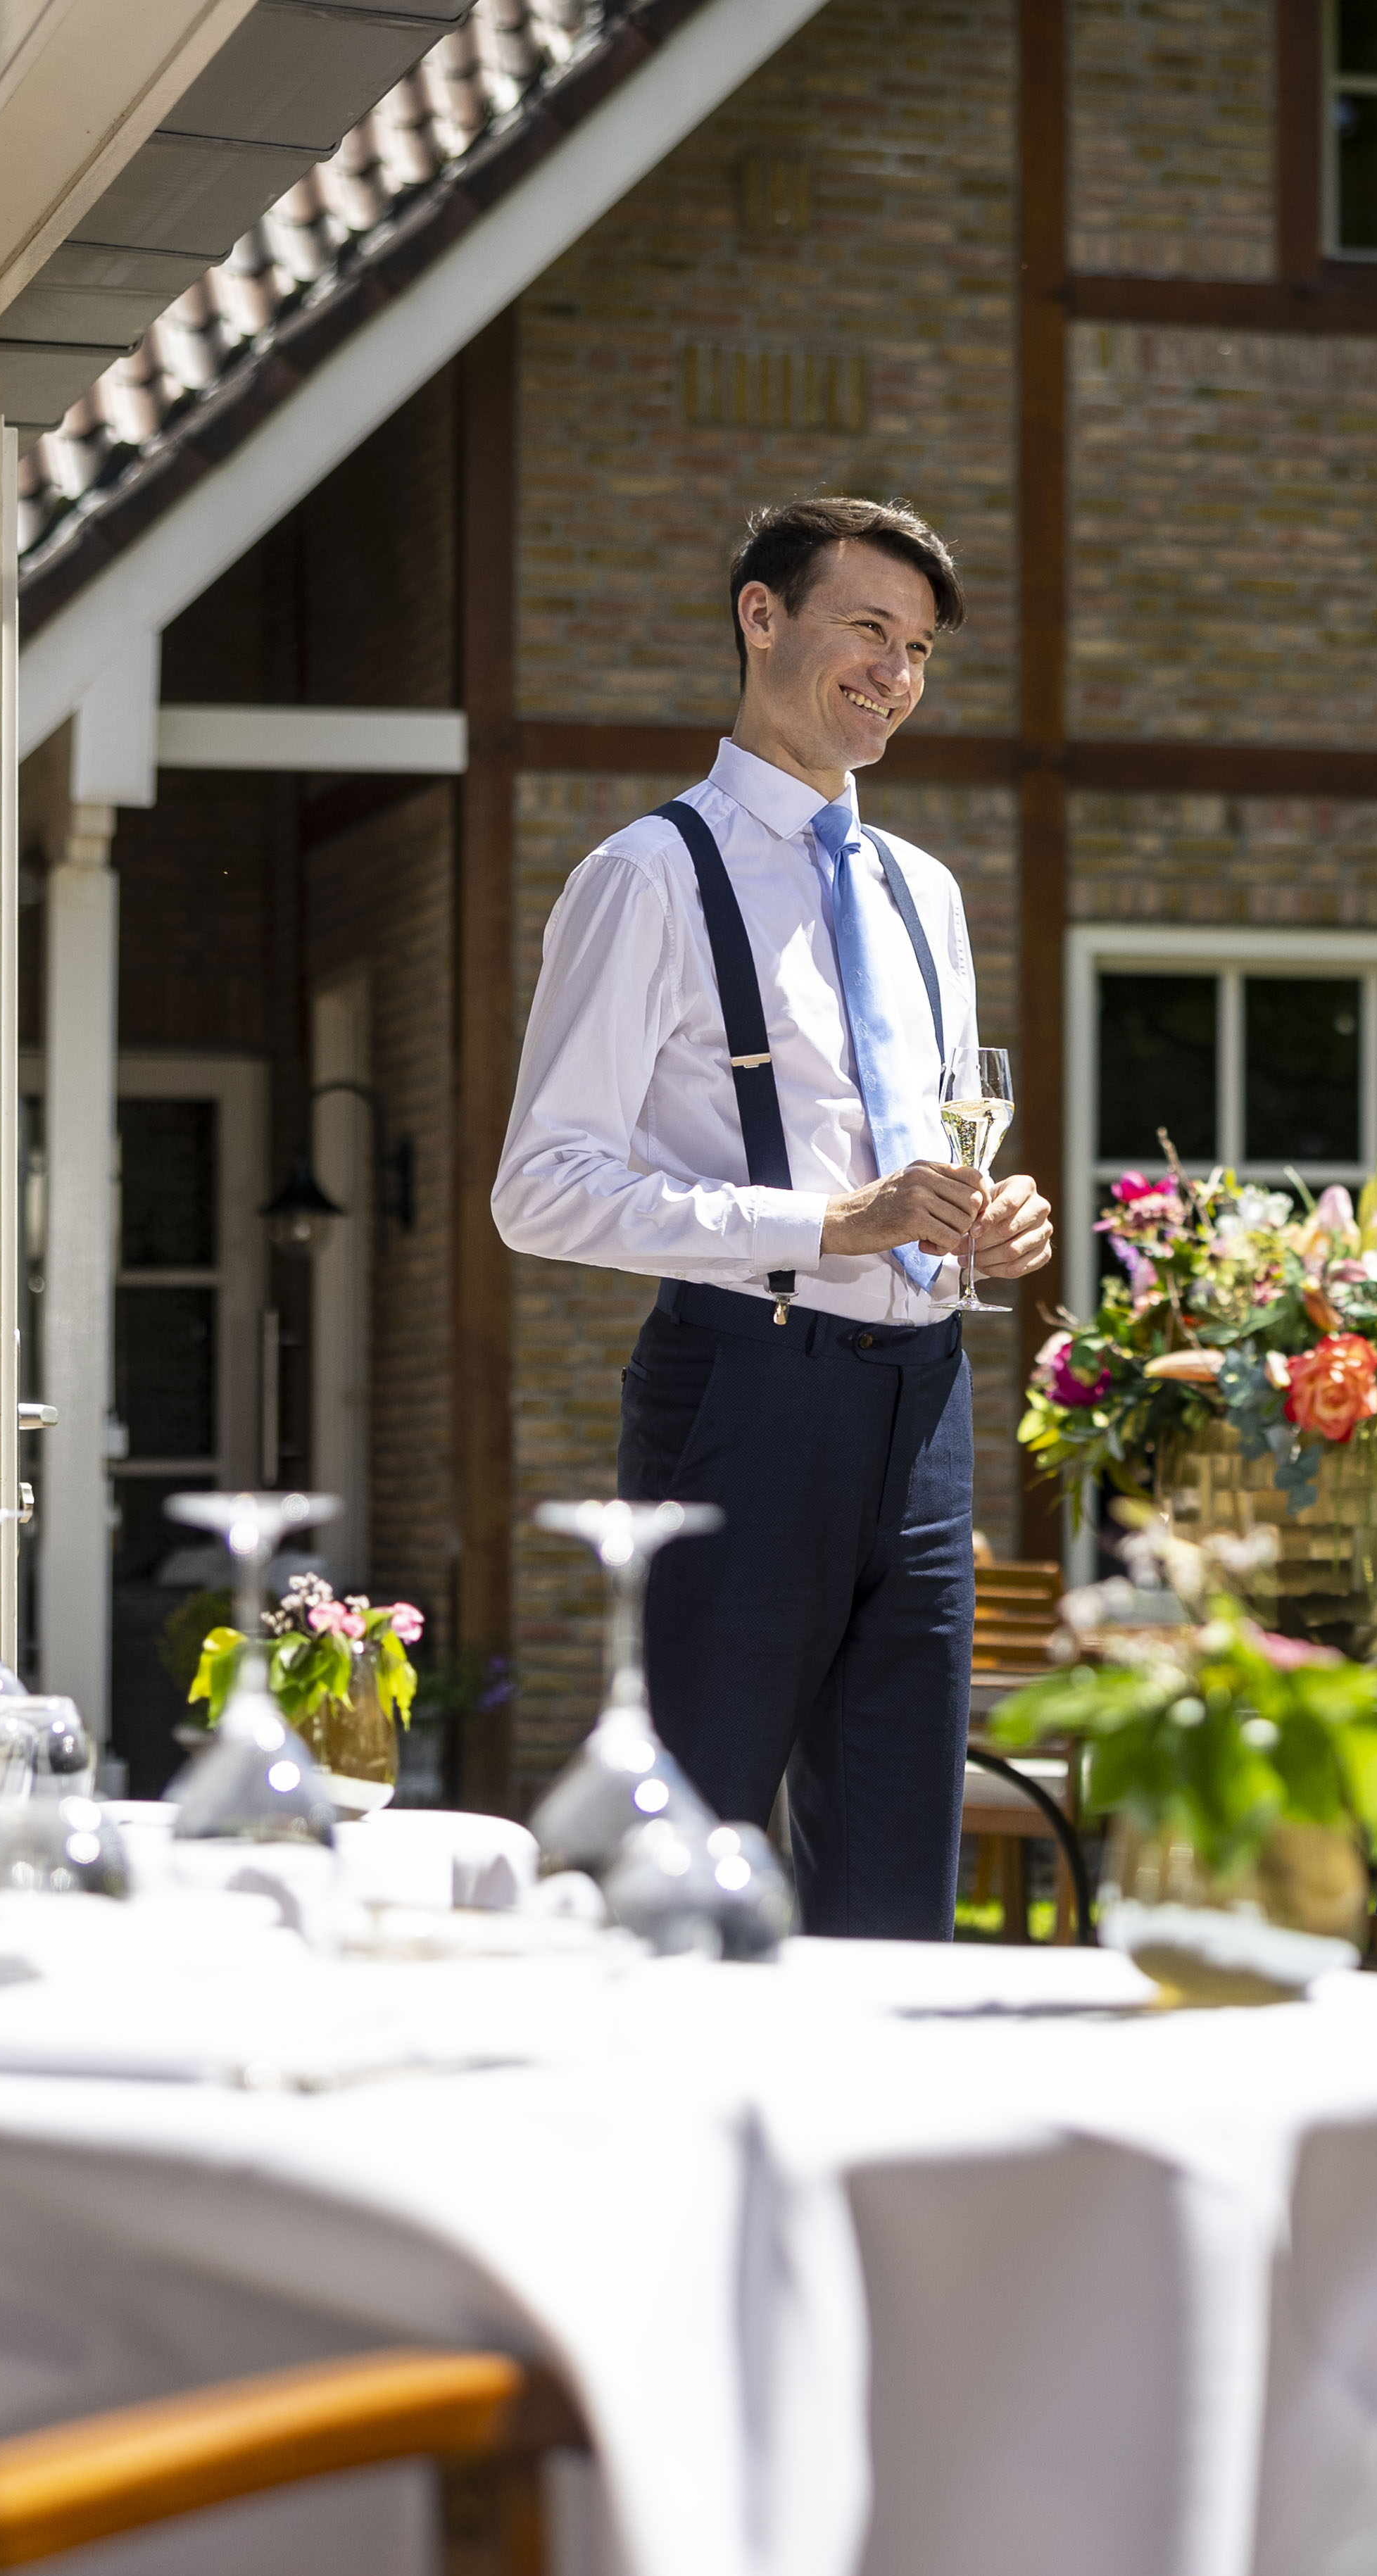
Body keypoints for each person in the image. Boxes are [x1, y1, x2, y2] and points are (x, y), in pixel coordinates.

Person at [491, 496, 1056, 1937]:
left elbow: (914, 1153)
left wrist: (976, 1222)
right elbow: (540, 1188)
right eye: (866, 628)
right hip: (746, 1392)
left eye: (918, 648)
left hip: (925, 1410)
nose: (894, 672)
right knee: (687, 1864)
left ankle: (873, 2167)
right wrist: (831, 1221)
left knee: (897, 1891)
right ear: (762, 616)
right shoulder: (648, 875)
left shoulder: (924, 892)